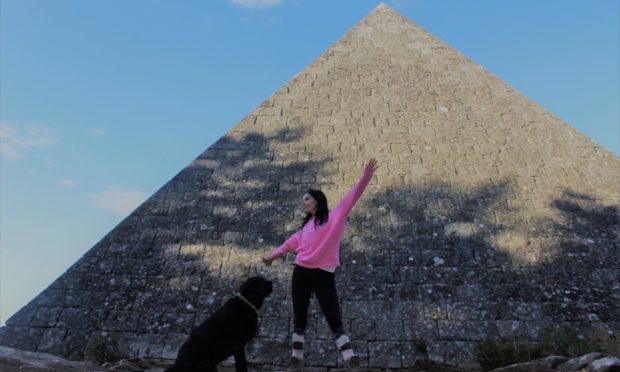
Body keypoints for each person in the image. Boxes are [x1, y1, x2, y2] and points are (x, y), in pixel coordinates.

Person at [262, 158, 379, 371]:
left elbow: (352, 197)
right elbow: (289, 243)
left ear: (316, 200)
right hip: (301, 274)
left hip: (324, 276)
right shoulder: (304, 228)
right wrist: (273, 256)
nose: (303, 203)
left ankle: (351, 361)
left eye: (306, 199)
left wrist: (366, 176)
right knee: (299, 317)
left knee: (334, 317)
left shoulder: (335, 217)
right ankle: (296, 361)